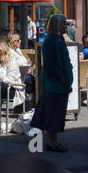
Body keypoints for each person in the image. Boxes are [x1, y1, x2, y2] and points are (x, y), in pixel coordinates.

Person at [30, 14, 72, 153]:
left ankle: (52, 141)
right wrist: (63, 78)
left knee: (54, 113)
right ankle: (52, 142)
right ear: (57, 25)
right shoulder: (53, 41)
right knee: (54, 114)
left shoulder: (54, 40)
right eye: (64, 24)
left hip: (56, 84)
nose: (66, 26)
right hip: (56, 85)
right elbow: (53, 65)